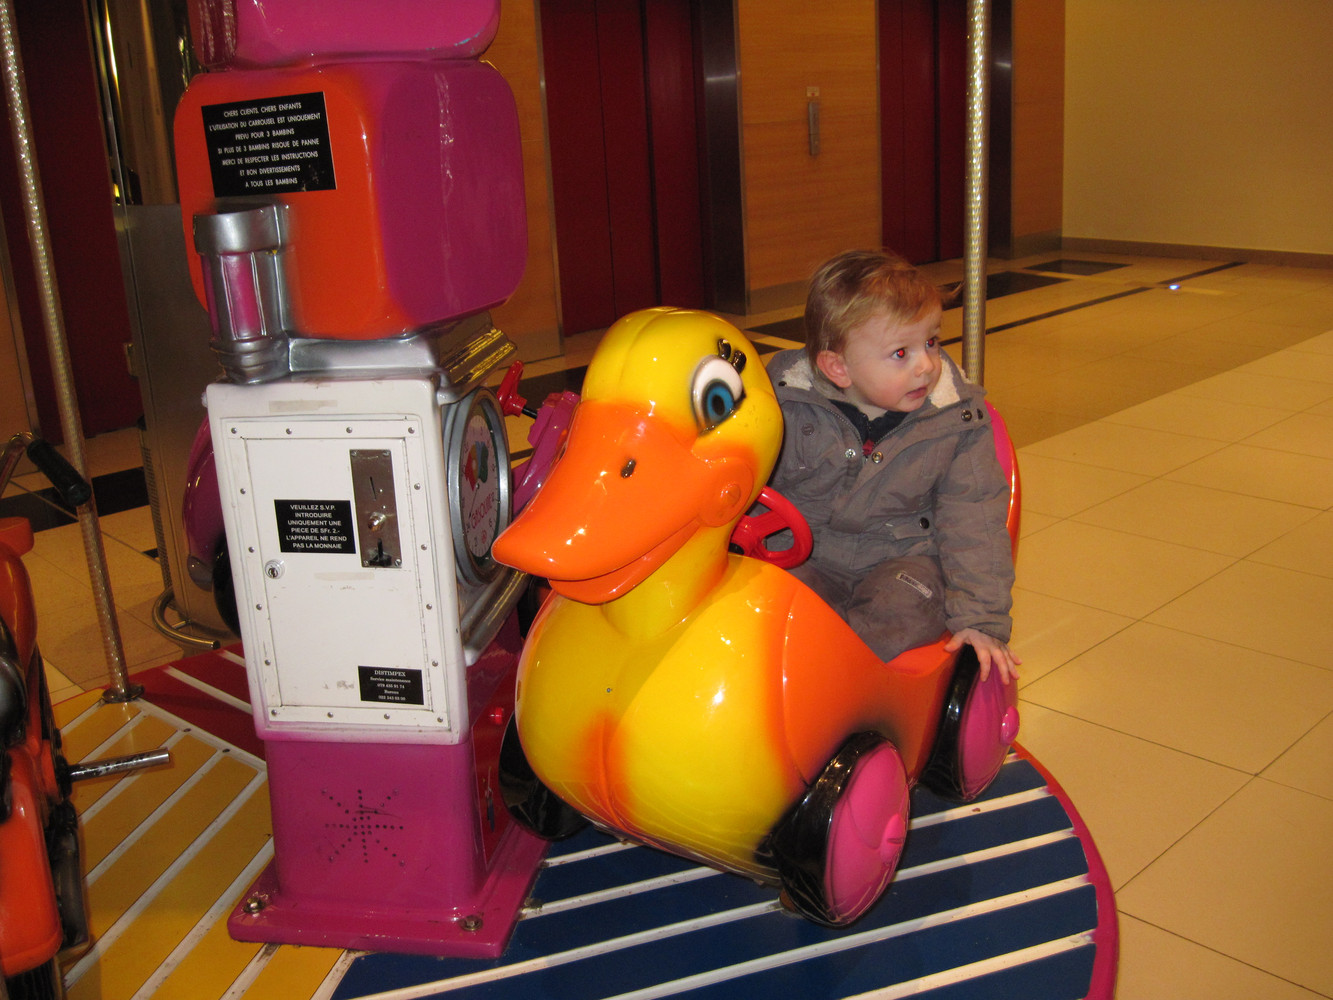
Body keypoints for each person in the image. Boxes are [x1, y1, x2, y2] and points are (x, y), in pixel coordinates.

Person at [766, 249, 1019, 683]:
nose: (926, 366)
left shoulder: (955, 419)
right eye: (901, 353)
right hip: (806, 554)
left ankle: (842, 686)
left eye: (931, 342)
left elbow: (975, 519)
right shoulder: (783, 401)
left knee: (904, 610)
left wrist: (982, 618)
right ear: (838, 367)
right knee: (765, 606)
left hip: (904, 560)